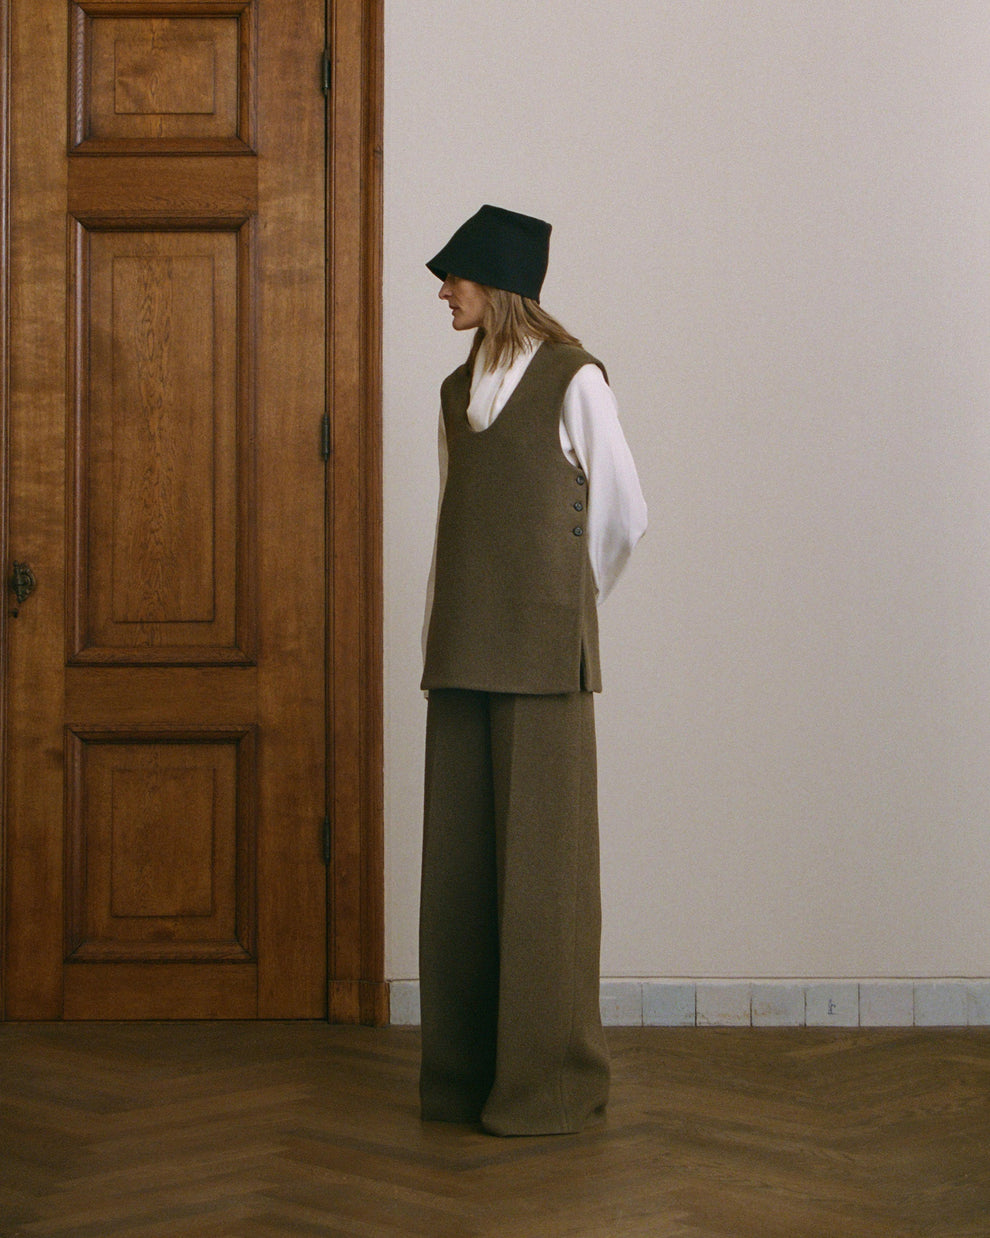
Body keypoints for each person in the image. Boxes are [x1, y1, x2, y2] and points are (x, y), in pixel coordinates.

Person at [419, 204, 647, 1136]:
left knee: (545, 880)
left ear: (500, 284)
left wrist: (559, 608)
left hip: (545, 656)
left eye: (456, 277)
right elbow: (454, 522)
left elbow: (624, 517)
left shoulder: (574, 379)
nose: (443, 291)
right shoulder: (451, 391)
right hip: (464, 648)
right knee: (461, 879)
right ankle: (464, 1077)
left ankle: (548, 1085)